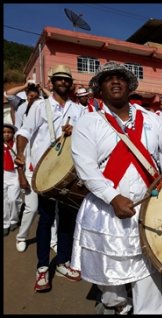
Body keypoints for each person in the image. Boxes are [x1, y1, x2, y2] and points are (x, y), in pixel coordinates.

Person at [70, 62, 162, 314]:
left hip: (148, 207)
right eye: (108, 79)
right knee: (110, 277)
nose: (115, 82)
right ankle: (117, 305)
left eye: (121, 78)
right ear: (100, 89)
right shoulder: (88, 122)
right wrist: (113, 197)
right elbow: (86, 168)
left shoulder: (151, 119)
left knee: (148, 273)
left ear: (129, 85)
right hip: (107, 211)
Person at [14, 64, 86, 292]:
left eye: (67, 79)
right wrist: (21, 156)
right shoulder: (39, 106)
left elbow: (86, 137)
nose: (63, 82)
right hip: (44, 172)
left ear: (70, 83)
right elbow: (24, 132)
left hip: (68, 173)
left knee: (67, 219)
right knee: (45, 219)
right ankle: (43, 268)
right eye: (59, 79)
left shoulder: (79, 109)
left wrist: (75, 131)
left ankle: (63, 261)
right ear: (52, 82)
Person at [11, 82, 58, 253]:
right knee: (31, 208)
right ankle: (21, 236)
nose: (35, 101)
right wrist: (22, 176)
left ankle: (53, 239)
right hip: (30, 174)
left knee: (52, 209)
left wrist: (41, 90)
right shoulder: (21, 135)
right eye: (31, 99)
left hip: (47, 174)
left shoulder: (47, 132)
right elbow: (19, 159)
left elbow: (51, 100)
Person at [4, 122, 21, 236]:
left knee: (13, 199)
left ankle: (14, 219)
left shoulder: (16, 145)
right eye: (4, 132)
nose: (6, 134)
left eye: (9, 132)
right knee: (4, 201)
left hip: (14, 175)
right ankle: (5, 223)